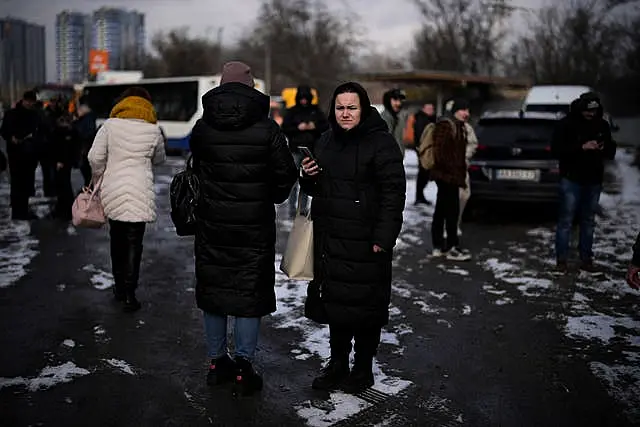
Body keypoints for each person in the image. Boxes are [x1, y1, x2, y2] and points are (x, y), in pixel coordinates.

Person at [189, 61, 297, 396]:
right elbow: (285, 180)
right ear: (251, 88)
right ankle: (243, 367)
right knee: (249, 294)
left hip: (212, 225)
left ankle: (216, 364)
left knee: (214, 292)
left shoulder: (203, 127)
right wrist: (265, 193)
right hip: (253, 227)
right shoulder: (268, 129)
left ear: (221, 86)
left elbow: (196, 172)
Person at [300, 82, 406, 394]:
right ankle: (337, 364)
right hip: (331, 239)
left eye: (352, 107)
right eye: (340, 107)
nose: (345, 113)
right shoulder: (326, 140)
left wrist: (384, 237)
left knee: (367, 306)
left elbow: (393, 193)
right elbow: (316, 190)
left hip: (367, 242)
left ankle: (362, 367)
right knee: (336, 305)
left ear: (363, 109)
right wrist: (309, 175)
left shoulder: (381, 143)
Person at [88, 87, 166, 312]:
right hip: (140, 189)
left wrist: (100, 173)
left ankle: (119, 287)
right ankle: (130, 294)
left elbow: (94, 157)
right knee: (134, 242)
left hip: (114, 188)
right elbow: (160, 159)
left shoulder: (110, 126)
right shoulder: (153, 129)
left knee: (117, 239)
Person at [551, 92, 616, 273]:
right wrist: (581, 147)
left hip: (593, 179)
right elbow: (556, 149)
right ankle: (561, 260)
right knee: (566, 220)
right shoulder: (566, 124)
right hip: (571, 178)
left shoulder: (602, 125)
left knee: (588, 221)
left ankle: (586, 258)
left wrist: (604, 147)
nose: (590, 114)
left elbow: (611, 151)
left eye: (593, 111)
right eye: (587, 111)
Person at [429, 98, 472, 261]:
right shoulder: (446, 125)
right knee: (451, 212)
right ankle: (451, 247)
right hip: (447, 176)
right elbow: (439, 152)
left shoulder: (459, 126)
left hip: (451, 176)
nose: (466, 113)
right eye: (463, 110)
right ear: (455, 111)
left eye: (468, 110)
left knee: (442, 210)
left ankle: (439, 246)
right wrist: (452, 171)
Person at [281, 85, 329, 216]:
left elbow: (326, 127)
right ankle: (291, 209)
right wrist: (298, 128)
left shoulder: (316, 112)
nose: (303, 101)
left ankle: (302, 208)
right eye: (301, 98)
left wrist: (314, 126)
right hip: (295, 150)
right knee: (293, 181)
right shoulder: (292, 112)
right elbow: (285, 127)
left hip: (311, 151)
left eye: (305, 98)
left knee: (307, 180)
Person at [0, 90, 42, 220]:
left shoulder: (34, 115)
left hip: (30, 154)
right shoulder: (11, 114)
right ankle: (18, 212)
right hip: (16, 154)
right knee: (18, 182)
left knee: (27, 183)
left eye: (32, 102)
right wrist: (12, 138)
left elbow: (39, 132)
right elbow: (4, 131)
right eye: (28, 101)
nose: (30, 104)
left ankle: (23, 210)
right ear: (23, 100)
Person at [51, 112, 78, 221]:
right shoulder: (66, 132)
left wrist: (59, 161)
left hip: (63, 162)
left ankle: (65, 210)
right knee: (63, 185)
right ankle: (64, 209)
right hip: (64, 161)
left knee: (64, 186)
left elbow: (60, 147)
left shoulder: (64, 132)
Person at [412, 102, 436, 205]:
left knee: (424, 174)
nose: (430, 110)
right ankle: (419, 197)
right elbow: (419, 136)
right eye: (428, 108)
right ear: (423, 109)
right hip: (423, 150)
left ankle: (420, 196)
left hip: (427, 150)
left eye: (432, 108)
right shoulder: (421, 120)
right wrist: (420, 149)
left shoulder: (430, 119)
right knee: (423, 173)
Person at [74, 96, 98, 187]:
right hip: (85, 150)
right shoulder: (87, 118)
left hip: (85, 150)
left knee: (87, 174)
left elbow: (85, 134)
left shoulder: (87, 119)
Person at [380, 88, 409, 157]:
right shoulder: (385, 117)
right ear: (388, 100)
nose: (398, 103)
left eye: (400, 100)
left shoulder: (397, 117)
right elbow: (384, 142)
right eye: (395, 100)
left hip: (395, 159)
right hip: (388, 159)